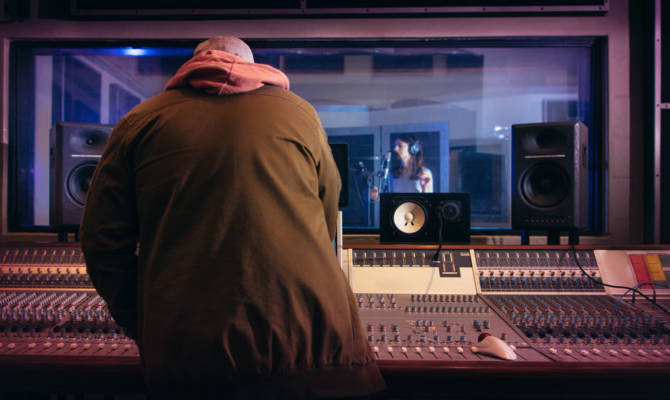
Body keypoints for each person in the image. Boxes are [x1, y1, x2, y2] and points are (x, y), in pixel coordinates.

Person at [79, 36, 385, 399]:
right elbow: (328, 209)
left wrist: (145, 321)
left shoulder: (140, 121)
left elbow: (101, 242)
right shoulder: (299, 113)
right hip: (318, 353)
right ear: (253, 65)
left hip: (191, 359)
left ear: (191, 66)